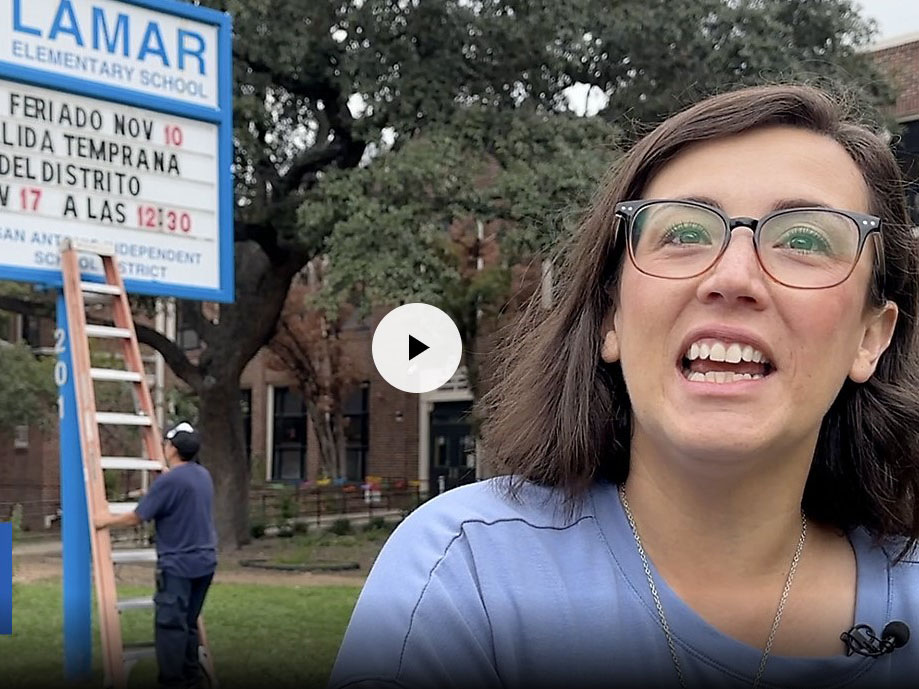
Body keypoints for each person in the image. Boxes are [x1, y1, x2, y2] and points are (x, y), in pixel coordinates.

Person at [329, 84, 919, 689]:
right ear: (611, 317)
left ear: (870, 337)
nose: (733, 276)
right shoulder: (466, 573)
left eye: (804, 240)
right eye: (684, 233)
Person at [95, 421, 218, 689]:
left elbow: (136, 517)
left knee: (171, 625)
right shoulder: (202, 475)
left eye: (165, 443)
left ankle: (173, 682)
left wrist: (105, 519)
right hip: (205, 562)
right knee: (188, 623)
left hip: (179, 565)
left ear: (172, 448)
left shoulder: (170, 480)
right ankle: (192, 678)